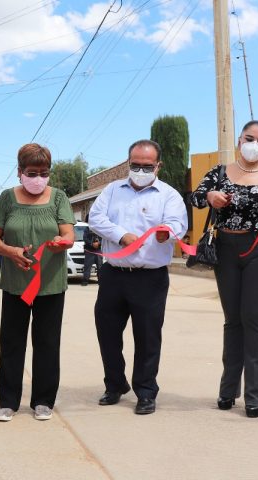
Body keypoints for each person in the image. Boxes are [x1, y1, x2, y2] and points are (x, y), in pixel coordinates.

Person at [190, 120, 258, 418]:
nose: (254, 144)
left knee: (253, 318)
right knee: (232, 319)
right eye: (249, 138)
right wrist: (210, 196)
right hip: (225, 249)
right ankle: (227, 391)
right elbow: (196, 197)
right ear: (239, 140)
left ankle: (255, 396)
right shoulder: (220, 172)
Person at [89, 139, 188, 415]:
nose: (141, 170)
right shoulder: (111, 190)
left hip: (150, 278)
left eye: (147, 166)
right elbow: (96, 218)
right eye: (135, 165)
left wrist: (166, 232)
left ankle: (145, 391)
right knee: (107, 333)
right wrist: (121, 235)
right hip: (113, 274)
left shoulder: (169, 195)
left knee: (147, 337)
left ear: (158, 165)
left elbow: (179, 224)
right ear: (128, 163)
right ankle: (115, 385)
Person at [0, 143, 75, 422]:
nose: (38, 178)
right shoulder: (6, 199)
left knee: (47, 343)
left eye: (43, 172)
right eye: (31, 172)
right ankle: (8, 402)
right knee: (12, 342)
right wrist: (9, 251)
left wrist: (63, 242)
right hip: (15, 284)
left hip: (49, 285)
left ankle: (43, 401)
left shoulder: (59, 198)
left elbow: (69, 234)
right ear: (20, 172)